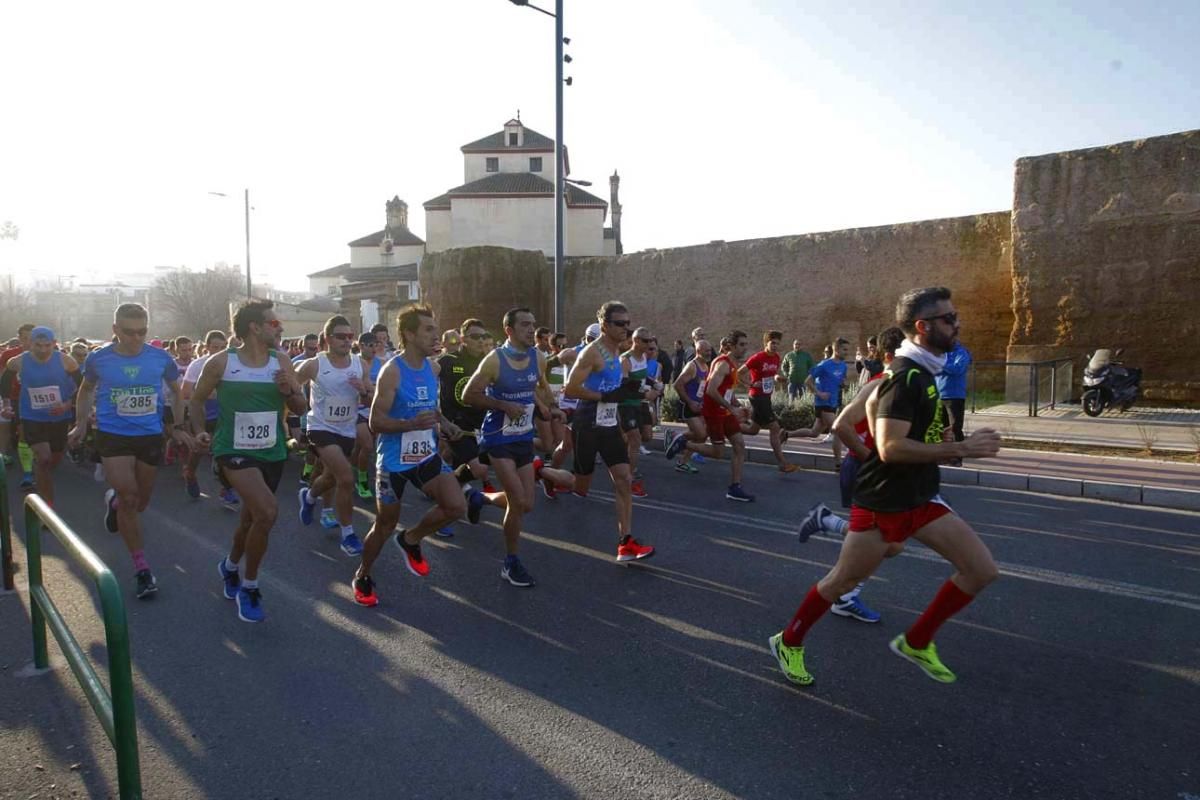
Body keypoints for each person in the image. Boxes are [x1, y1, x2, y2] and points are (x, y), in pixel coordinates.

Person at [769, 287, 1002, 686]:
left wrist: (936, 438)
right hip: (886, 502)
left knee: (980, 570)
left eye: (955, 315)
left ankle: (918, 640)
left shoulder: (919, 372)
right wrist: (960, 447)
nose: (957, 323)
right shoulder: (904, 377)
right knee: (841, 581)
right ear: (922, 327)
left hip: (921, 495)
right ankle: (788, 640)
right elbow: (890, 447)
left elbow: (888, 431)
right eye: (949, 319)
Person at [189, 300, 305, 622]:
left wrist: (289, 390)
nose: (279, 327)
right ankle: (250, 587)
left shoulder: (281, 361)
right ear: (255, 327)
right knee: (267, 512)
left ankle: (228, 566)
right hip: (233, 451)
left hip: (272, 451)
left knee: (250, 521)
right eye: (274, 322)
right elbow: (196, 400)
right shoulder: (221, 363)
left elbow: (301, 407)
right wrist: (199, 431)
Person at [67, 304, 191, 599]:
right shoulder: (99, 359)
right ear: (115, 330)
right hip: (113, 435)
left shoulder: (160, 358)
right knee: (130, 497)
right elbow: (85, 390)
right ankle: (142, 568)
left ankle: (113, 503)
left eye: (142, 332)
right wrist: (80, 424)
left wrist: (176, 426)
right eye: (128, 332)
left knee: (140, 503)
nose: (136, 338)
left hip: (149, 435)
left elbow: (176, 390)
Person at [351, 304, 468, 608]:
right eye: (428, 329)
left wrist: (445, 424)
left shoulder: (432, 368)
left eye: (435, 328)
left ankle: (411, 539)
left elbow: (431, 406)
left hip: (426, 454)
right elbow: (376, 423)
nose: (435, 335)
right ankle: (363, 574)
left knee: (456, 506)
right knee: (384, 525)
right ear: (409, 334)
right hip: (392, 463)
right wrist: (410, 424)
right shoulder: (392, 372)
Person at [795, 326, 907, 625]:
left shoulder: (902, 385)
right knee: (884, 543)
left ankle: (825, 523)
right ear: (891, 356)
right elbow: (841, 427)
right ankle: (839, 599)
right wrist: (874, 460)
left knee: (888, 543)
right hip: (863, 470)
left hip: (877, 473)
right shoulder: (878, 384)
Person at [463, 307, 560, 587]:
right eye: (525, 325)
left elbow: (539, 387)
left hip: (523, 436)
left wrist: (550, 408)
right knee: (517, 501)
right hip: (498, 437)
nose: (532, 330)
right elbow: (470, 394)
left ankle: (480, 499)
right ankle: (511, 562)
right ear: (509, 330)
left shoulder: (537, 357)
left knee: (527, 504)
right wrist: (503, 404)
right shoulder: (495, 360)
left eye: (533, 324)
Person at [564, 301, 656, 563]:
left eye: (628, 323)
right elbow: (570, 388)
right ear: (605, 325)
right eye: (620, 324)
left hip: (608, 424)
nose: (626, 328)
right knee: (580, 485)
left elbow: (615, 383)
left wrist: (634, 390)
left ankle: (625, 542)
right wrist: (603, 396)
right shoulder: (591, 353)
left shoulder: (617, 351)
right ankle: (543, 471)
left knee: (623, 479)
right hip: (587, 422)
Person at [294, 316, 374, 557]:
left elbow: (369, 399)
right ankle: (348, 534)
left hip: (346, 428)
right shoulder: (314, 364)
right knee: (346, 478)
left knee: (330, 477)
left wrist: (363, 391)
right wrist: (293, 419)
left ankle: (308, 496)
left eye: (350, 337)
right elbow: (290, 387)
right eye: (341, 336)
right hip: (320, 428)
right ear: (328, 339)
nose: (347, 341)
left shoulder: (361, 365)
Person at [665, 332, 755, 502]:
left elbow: (726, 391)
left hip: (726, 412)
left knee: (739, 445)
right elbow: (711, 390)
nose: (745, 348)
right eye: (742, 345)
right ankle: (684, 442)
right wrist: (730, 407)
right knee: (718, 452)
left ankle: (735, 487)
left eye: (745, 344)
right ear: (732, 346)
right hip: (714, 412)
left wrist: (738, 406)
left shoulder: (733, 364)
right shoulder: (723, 364)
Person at [1, 327, 80, 507]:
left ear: (54, 344)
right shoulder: (19, 361)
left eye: (47, 346)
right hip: (32, 416)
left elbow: (82, 387)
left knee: (55, 458)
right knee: (43, 459)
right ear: (30, 344)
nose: (43, 350)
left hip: (59, 417)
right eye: (38, 345)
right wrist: (6, 404)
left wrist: (67, 404)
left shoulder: (67, 361)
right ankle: (46, 506)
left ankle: (40, 475)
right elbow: (5, 381)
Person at [181, 330, 232, 502]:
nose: (218, 351)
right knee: (200, 449)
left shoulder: (230, 363)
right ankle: (190, 473)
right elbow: (185, 393)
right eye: (215, 347)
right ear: (206, 347)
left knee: (225, 452)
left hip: (224, 414)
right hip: (203, 413)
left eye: (222, 347)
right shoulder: (197, 365)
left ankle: (227, 489)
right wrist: (206, 393)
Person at [739, 330, 799, 473]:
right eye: (772, 343)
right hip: (757, 397)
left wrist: (778, 378)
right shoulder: (758, 357)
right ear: (766, 343)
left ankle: (727, 426)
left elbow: (773, 374)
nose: (775, 346)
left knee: (753, 430)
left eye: (777, 343)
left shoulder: (777, 357)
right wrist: (751, 384)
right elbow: (739, 373)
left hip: (766, 397)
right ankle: (783, 464)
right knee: (775, 427)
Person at [794, 338, 852, 463]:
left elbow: (840, 381)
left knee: (814, 432)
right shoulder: (824, 365)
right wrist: (819, 393)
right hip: (823, 403)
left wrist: (843, 385)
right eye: (844, 350)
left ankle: (786, 434)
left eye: (848, 350)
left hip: (833, 402)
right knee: (838, 429)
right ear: (836, 349)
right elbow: (808, 381)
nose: (847, 353)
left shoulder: (843, 365)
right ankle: (838, 464)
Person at [619, 327, 658, 497]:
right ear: (636, 341)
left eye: (651, 341)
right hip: (627, 403)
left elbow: (642, 378)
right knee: (634, 440)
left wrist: (654, 383)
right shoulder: (625, 360)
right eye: (646, 341)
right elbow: (624, 386)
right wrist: (645, 393)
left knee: (647, 436)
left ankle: (621, 459)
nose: (650, 345)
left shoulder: (643, 356)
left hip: (640, 403)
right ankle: (630, 478)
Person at [0, 324, 36, 482]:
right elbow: (3, 377)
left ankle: (30, 469)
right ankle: (5, 458)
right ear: (20, 338)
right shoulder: (9, 355)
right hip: (13, 397)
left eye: (31, 338)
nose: (28, 342)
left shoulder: (47, 354)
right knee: (12, 430)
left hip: (35, 400)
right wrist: (6, 400)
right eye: (24, 338)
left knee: (27, 433)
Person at [670, 339, 711, 473]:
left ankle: (682, 461)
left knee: (701, 436)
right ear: (698, 351)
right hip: (688, 406)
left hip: (700, 406)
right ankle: (676, 438)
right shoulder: (692, 366)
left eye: (710, 350)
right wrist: (690, 402)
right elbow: (677, 384)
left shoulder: (706, 366)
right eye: (707, 351)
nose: (709, 353)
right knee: (700, 434)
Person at [937, 340, 972, 466]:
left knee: (955, 428)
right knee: (941, 428)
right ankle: (943, 455)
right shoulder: (940, 353)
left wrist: (940, 365)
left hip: (955, 396)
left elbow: (957, 369)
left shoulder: (961, 352)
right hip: (939, 395)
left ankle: (957, 457)